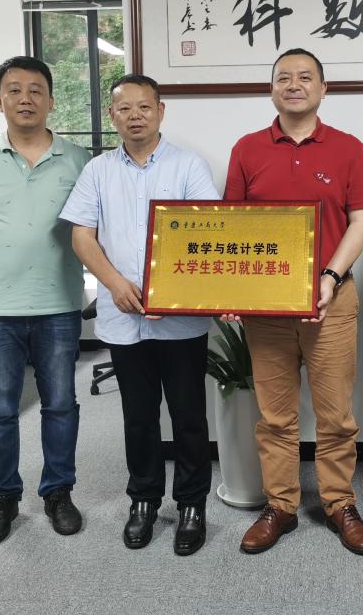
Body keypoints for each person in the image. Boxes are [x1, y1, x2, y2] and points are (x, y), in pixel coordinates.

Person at [224, 48, 363, 555]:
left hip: (332, 301)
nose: (294, 84)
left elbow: (361, 220)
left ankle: (339, 503)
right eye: (284, 77)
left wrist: (331, 275)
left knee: (336, 416)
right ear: (271, 89)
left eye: (305, 77)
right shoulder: (247, 148)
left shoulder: (349, 148)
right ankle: (281, 506)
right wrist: (231, 290)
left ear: (323, 89)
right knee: (275, 417)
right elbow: (231, 227)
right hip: (267, 309)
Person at [61, 74, 217, 556]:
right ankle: (144, 499)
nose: (135, 116)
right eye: (124, 108)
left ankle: (191, 504)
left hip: (180, 319)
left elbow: (208, 232)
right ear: (112, 116)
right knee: (138, 416)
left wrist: (172, 290)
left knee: (189, 416)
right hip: (123, 314)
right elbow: (82, 236)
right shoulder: (98, 171)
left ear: (160, 111)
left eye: (144, 107)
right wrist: (114, 283)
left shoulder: (188, 165)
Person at [0, 56, 90, 545]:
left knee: (60, 404)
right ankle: (3, 497)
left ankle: (58, 492)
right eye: (14, 90)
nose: (25, 98)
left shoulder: (79, 159)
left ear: (51, 100)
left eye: (35, 90)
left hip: (58, 303)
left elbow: (89, 226)